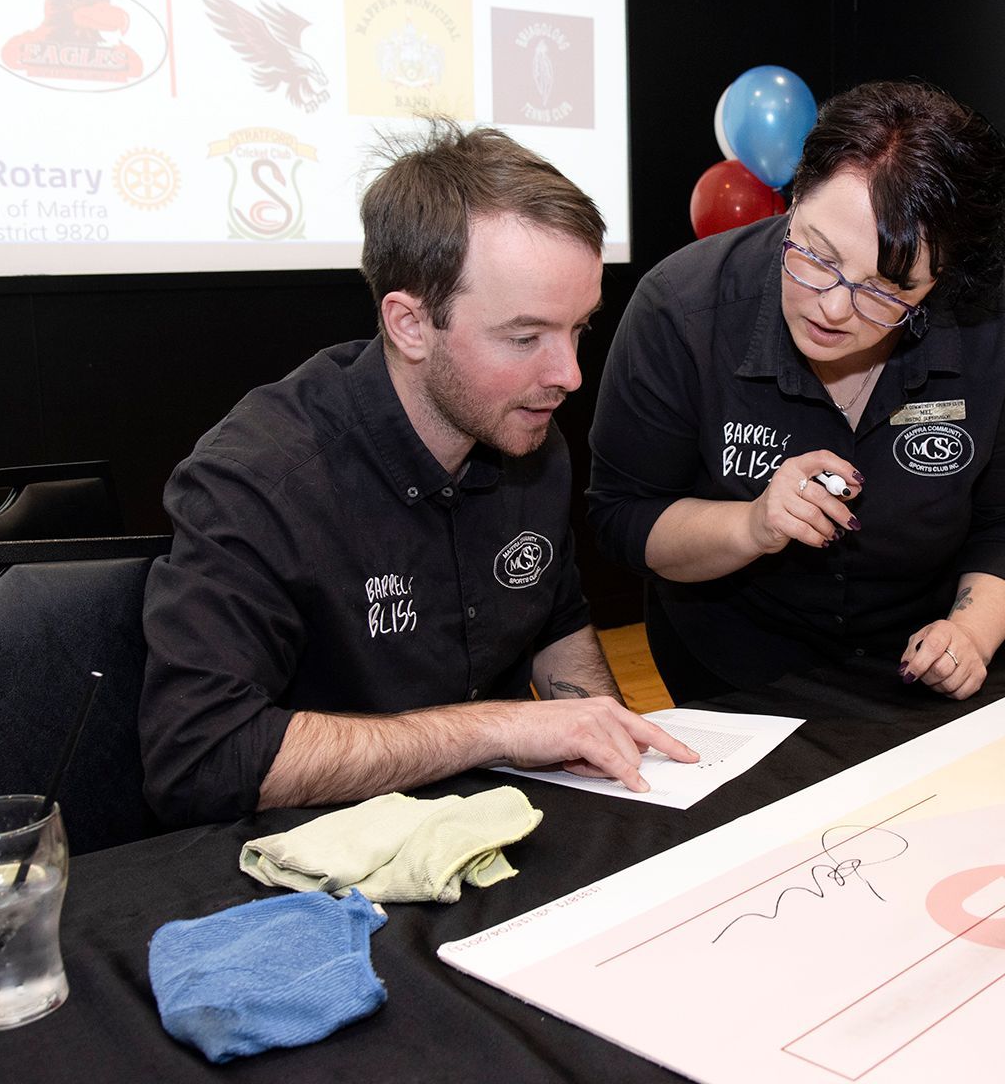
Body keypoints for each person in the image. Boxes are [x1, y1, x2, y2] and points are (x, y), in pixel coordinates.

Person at [140, 122, 694, 827]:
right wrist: (500, 728)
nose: (569, 375)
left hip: (489, 835)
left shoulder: (527, 436)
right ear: (408, 324)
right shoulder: (261, 480)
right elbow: (200, 758)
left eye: (579, 328)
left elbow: (557, 622)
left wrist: (608, 743)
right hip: (313, 864)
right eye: (525, 337)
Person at [588, 80, 1005, 703]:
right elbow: (624, 515)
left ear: (944, 277)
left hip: (917, 667)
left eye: (887, 289)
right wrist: (752, 525)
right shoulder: (683, 308)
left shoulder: (1002, 325)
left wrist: (970, 634)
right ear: (792, 199)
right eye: (816, 255)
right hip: (733, 671)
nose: (836, 308)